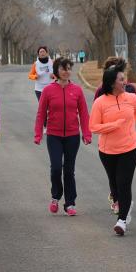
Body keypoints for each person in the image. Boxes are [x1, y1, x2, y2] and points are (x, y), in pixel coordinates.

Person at [90, 67, 136, 236]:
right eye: (121, 79)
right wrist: (113, 126)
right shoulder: (100, 102)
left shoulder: (132, 98)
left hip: (129, 148)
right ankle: (121, 203)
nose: (125, 82)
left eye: (124, 79)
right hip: (107, 151)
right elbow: (93, 127)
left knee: (124, 183)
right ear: (112, 82)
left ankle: (121, 221)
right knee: (114, 185)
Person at [34, 57, 92, 216]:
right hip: (54, 135)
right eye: (63, 68)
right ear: (56, 71)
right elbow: (40, 114)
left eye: (68, 68)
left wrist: (86, 133)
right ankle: (55, 196)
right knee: (56, 168)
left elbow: (84, 114)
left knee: (69, 170)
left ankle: (70, 203)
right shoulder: (48, 90)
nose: (67, 71)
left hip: (73, 136)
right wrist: (38, 133)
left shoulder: (77, 90)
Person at [93, 56, 136, 215]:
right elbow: (96, 117)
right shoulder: (101, 92)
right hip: (107, 145)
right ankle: (116, 197)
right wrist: (111, 125)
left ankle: (123, 208)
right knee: (113, 179)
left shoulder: (131, 89)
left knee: (123, 180)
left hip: (127, 142)